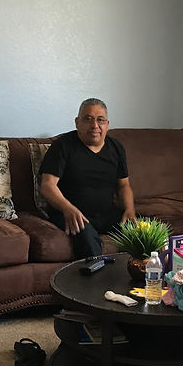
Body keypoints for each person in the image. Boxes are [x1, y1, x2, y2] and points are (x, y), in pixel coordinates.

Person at [40, 98, 136, 258]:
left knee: (146, 233)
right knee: (89, 242)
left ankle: (143, 273)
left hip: (107, 214)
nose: (95, 126)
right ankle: (97, 275)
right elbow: (47, 185)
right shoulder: (62, 146)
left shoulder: (116, 148)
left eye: (100, 120)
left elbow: (123, 185)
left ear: (107, 124)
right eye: (88, 119)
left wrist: (129, 210)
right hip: (71, 213)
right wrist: (68, 208)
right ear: (77, 122)